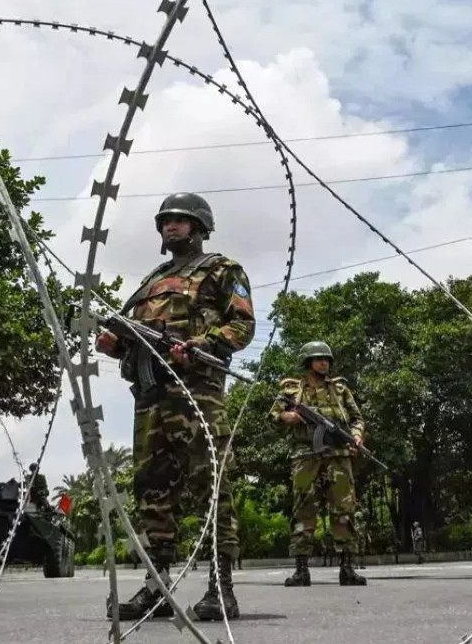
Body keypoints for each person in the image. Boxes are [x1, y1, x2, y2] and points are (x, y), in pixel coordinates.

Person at [94, 192, 254, 621]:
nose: (171, 226)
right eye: (166, 220)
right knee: (152, 492)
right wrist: (115, 346)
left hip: (196, 396)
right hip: (151, 399)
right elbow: (138, 343)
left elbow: (242, 324)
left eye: (181, 220)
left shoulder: (222, 269)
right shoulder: (150, 281)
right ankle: (156, 587)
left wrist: (200, 345)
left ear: (201, 227)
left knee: (211, 486)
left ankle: (221, 588)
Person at [272, 341, 368, 587]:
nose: (323, 363)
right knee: (303, 509)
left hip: (338, 455)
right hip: (306, 457)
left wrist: (356, 436)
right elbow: (272, 418)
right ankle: (301, 569)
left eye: (326, 359)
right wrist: (288, 416)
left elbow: (356, 418)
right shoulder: (292, 390)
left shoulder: (340, 389)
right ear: (308, 362)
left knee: (344, 509)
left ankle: (347, 568)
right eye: (318, 359)